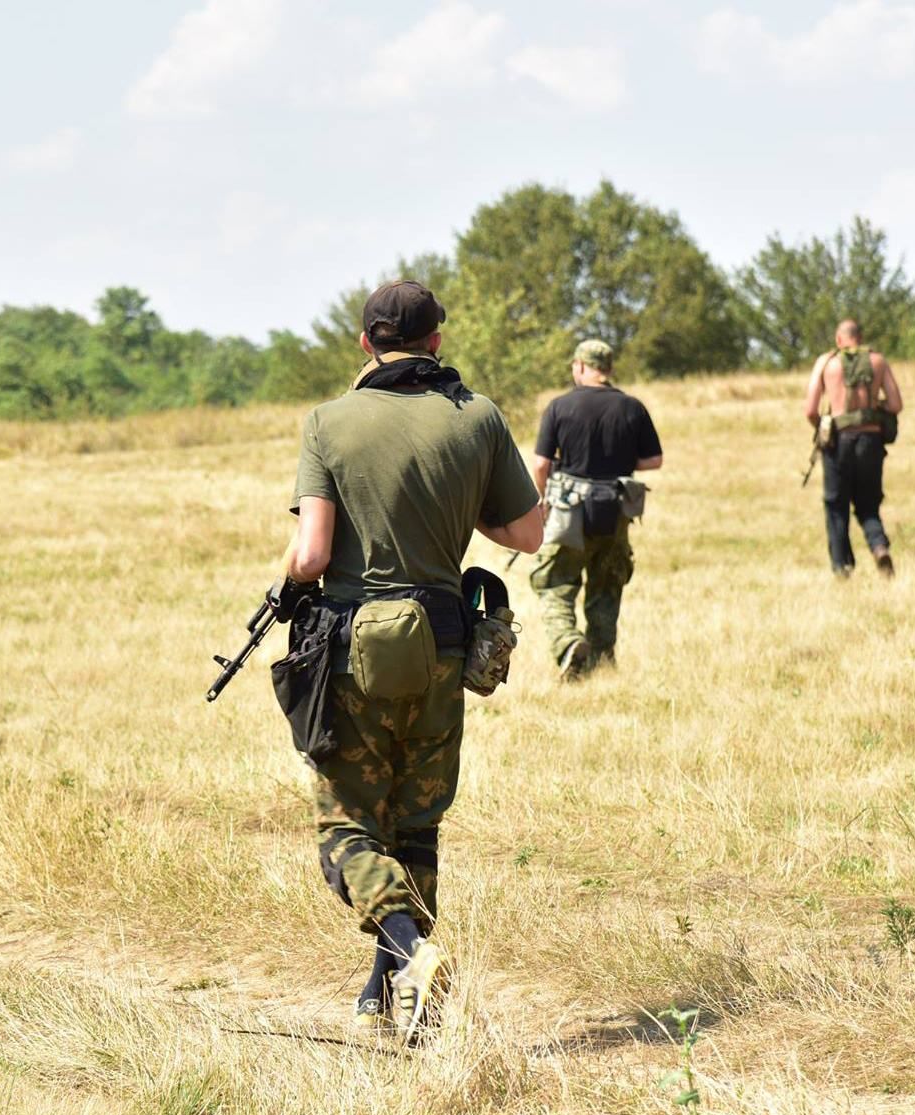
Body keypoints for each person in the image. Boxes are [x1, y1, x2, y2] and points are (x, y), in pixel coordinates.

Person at [278, 280, 544, 1044]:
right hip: (444, 645)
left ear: (365, 342)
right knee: (417, 825)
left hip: (356, 651)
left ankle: (408, 955)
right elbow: (524, 534)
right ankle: (392, 997)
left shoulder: (328, 422)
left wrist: (291, 576)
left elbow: (315, 554)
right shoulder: (478, 417)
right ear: (436, 341)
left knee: (346, 830)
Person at [528, 339, 664, 678]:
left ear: (580, 366)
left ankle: (567, 643)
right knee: (607, 585)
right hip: (615, 511)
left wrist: (542, 500)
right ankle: (601, 660)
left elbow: (541, 464)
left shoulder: (559, 406)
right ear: (608, 369)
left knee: (554, 582)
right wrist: (619, 461)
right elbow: (654, 460)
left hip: (567, 512)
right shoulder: (632, 407)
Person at [803, 319, 904, 577]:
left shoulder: (827, 363)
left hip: (839, 441)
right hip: (870, 442)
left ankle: (842, 567)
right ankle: (880, 548)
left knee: (836, 504)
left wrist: (824, 427)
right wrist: (873, 407)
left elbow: (810, 410)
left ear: (839, 340)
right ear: (861, 337)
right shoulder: (878, 361)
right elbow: (895, 405)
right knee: (868, 504)